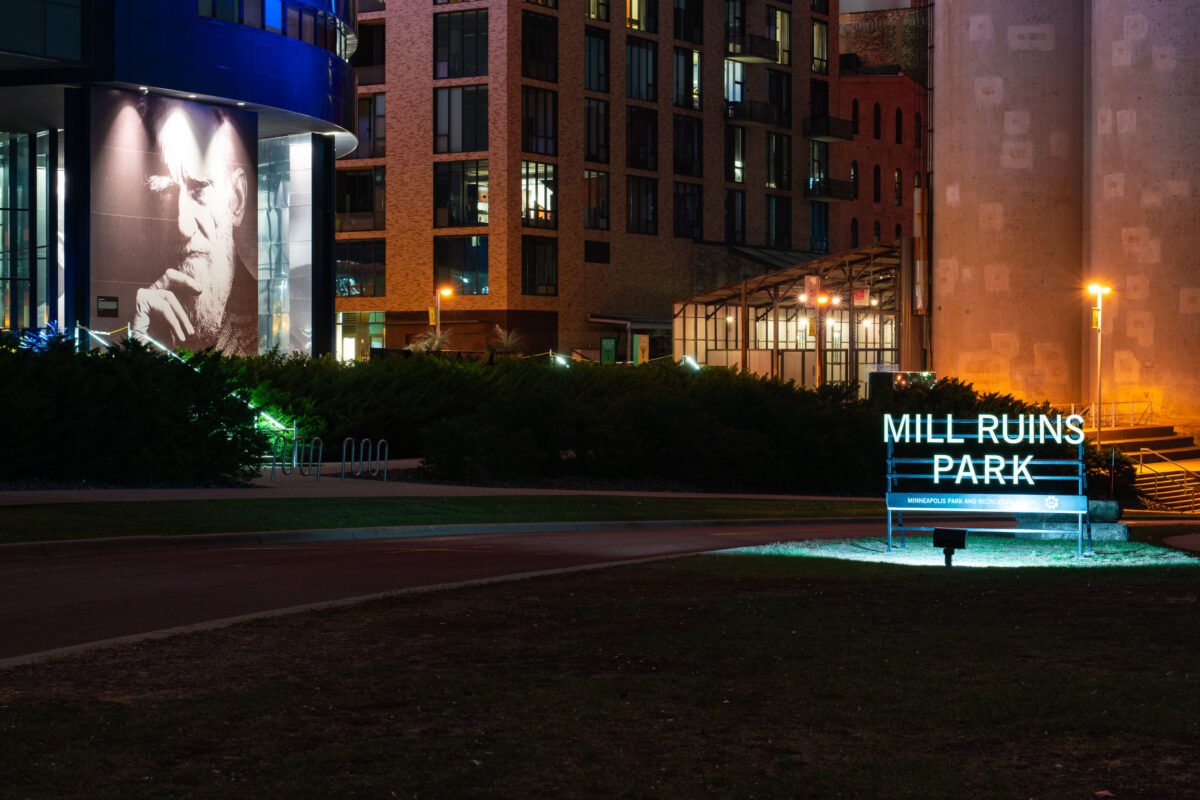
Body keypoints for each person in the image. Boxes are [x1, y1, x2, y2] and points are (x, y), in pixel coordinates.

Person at [131, 102, 256, 355]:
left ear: (237, 201)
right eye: (165, 193)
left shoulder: (262, 333)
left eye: (200, 188)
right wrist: (140, 340)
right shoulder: (145, 312)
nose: (182, 225)